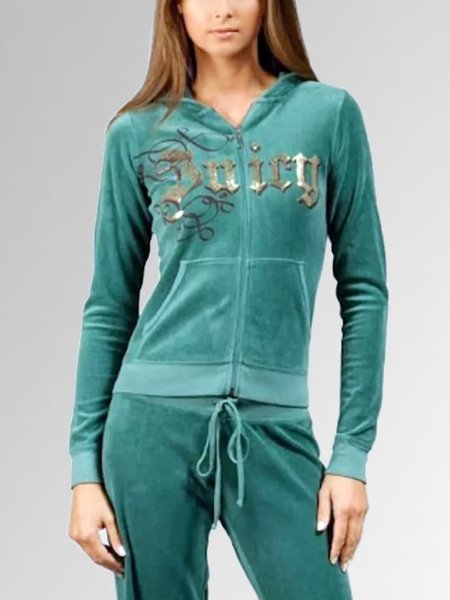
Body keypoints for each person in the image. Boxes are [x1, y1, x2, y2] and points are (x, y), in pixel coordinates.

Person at [67, 1, 389, 598]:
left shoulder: (327, 115)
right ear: (176, 8)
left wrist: (351, 455)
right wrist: (84, 469)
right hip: (149, 430)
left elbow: (365, 291)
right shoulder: (138, 132)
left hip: (275, 427)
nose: (222, 8)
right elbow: (109, 305)